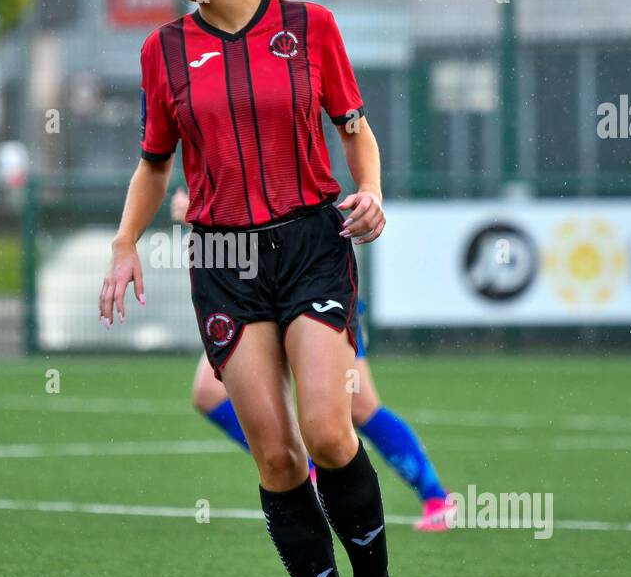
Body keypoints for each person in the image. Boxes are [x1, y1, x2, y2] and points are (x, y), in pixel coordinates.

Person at [98, 0, 426, 577]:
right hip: (222, 261)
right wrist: (124, 244)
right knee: (276, 458)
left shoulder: (310, 28)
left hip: (312, 244)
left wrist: (374, 194)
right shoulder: (163, 51)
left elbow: (357, 133)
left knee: (327, 428)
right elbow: (153, 163)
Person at [169, 187, 453, 531]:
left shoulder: (271, 148)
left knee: (360, 405)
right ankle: (306, 470)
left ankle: (436, 496)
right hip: (251, 294)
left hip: (308, 281)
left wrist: (201, 210)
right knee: (208, 393)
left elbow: (268, 201)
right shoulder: (212, 145)